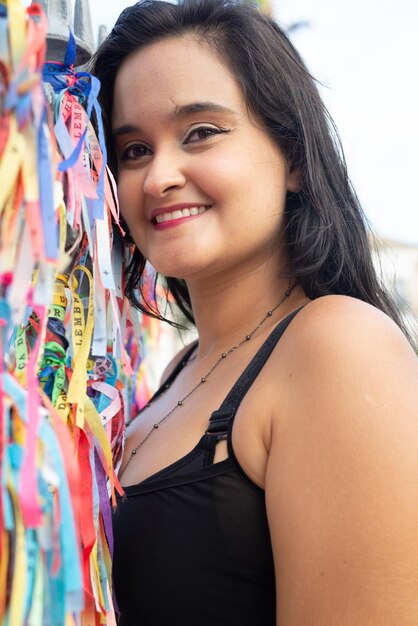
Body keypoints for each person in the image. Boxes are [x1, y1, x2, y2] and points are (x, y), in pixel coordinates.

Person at [92, 1, 418, 623]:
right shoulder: (180, 373)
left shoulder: (338, 347)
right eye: (133, 149)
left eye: (200, 133)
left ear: (292, 157)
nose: (159, 175)